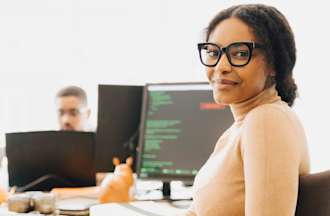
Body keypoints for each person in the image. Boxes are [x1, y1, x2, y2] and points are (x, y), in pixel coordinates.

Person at [183, 4, 310, 216]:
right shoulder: (238, 129)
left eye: (240, 53)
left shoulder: (267, 120)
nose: (221, 66)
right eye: (213, 52)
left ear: (274, 64)